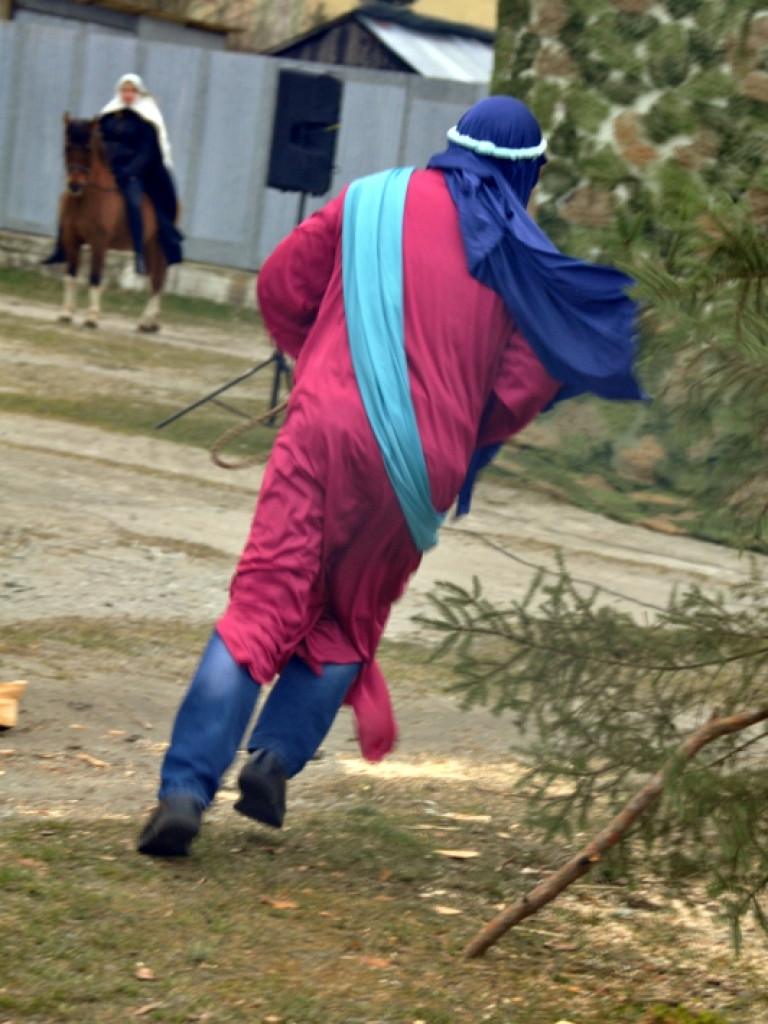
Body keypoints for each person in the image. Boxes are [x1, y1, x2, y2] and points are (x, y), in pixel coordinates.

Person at [137, 95, 644, 857]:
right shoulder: (526, 257)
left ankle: (183, 790)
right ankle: (274, 761)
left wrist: (318, 363)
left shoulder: (368, 198)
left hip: (321, 431)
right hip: (419, 469)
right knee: (348, 617)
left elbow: (280, 284)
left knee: (261, 606)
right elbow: (523, 385)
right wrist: (460, 428)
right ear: (527, 173)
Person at [43, 73, 182, 273]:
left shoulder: (146, 118)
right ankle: (60, 248)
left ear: (138, 92)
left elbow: (148, 151)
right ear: (119, 92)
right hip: (110, 169)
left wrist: (130, 170)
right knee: (68, 198)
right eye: (125, 90)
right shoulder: (109, 115)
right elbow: (97, 143)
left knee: (134, 202)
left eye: (132, 90)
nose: (128, 95)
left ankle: (140, 255)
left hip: (133, 172)